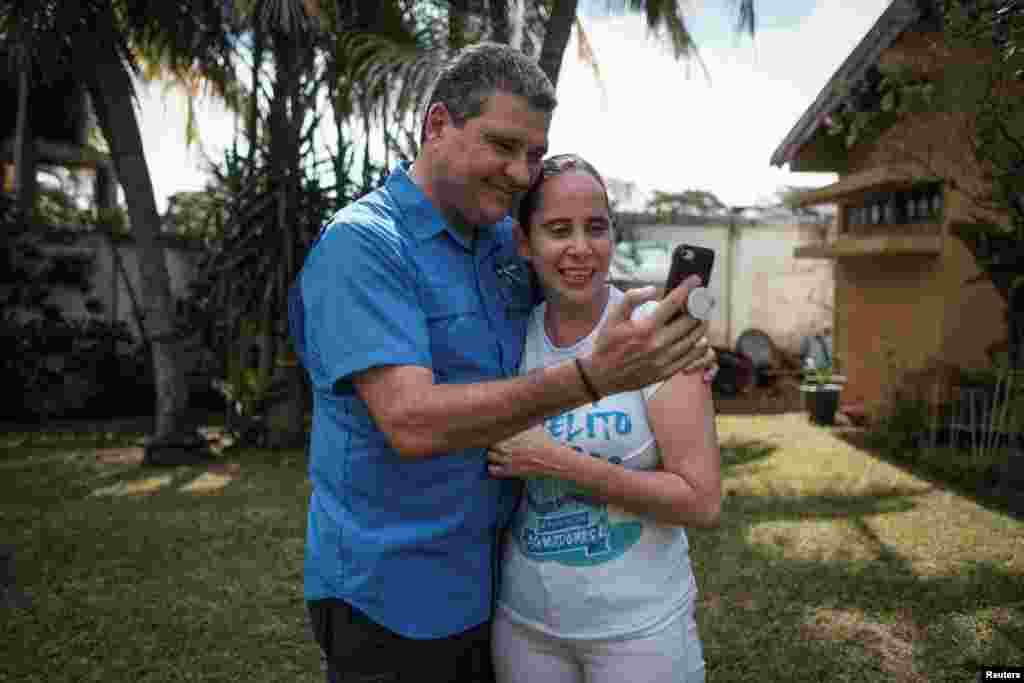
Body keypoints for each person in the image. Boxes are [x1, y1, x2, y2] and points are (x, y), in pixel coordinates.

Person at [288, 43, 716, 683]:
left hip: (491, 587)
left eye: (535, 154)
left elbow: (576, 276)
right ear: (438, 126)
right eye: (502, 146)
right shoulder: (364, 247)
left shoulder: (495, 241)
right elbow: (410, 422)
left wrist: (664, 327)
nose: (520, 172)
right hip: (388, 594)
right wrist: (595, 376)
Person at [486, 154, 721, 683]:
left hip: (641, 631)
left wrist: (559, 463)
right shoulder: (506, 340)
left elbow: (702, 501)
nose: (580, 248)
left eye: (596, 228)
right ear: (525, 244)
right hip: (526, 627)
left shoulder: (656, 334)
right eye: (557, 229)